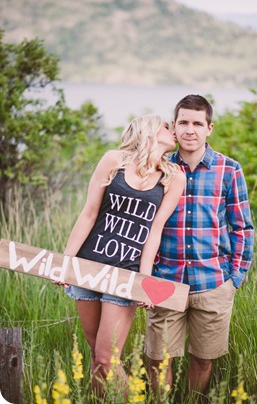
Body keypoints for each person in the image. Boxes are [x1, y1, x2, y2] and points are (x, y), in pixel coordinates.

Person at [61, 114, 186, 396]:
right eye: (167, 125)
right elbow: (89, 213)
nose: (174, 130)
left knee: (108, 358)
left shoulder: (174, 176)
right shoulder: (113, 161)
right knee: (96, 355)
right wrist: (65, 263)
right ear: (150, 130)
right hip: (87, 266)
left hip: (125, 275)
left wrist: (144, 280)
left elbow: (155, 231)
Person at [144, 95, 254, 399]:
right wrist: (148, 273)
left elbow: (243, 227)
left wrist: (235, 278)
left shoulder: (229, 170)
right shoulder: (158, 169)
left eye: (197, 123)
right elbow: (145, 224)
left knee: (203, 359)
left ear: (209, 128)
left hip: (214, 283)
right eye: (183, 122)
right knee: (158, 358)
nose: (190, 129)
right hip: (166, 280)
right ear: (174, 128)